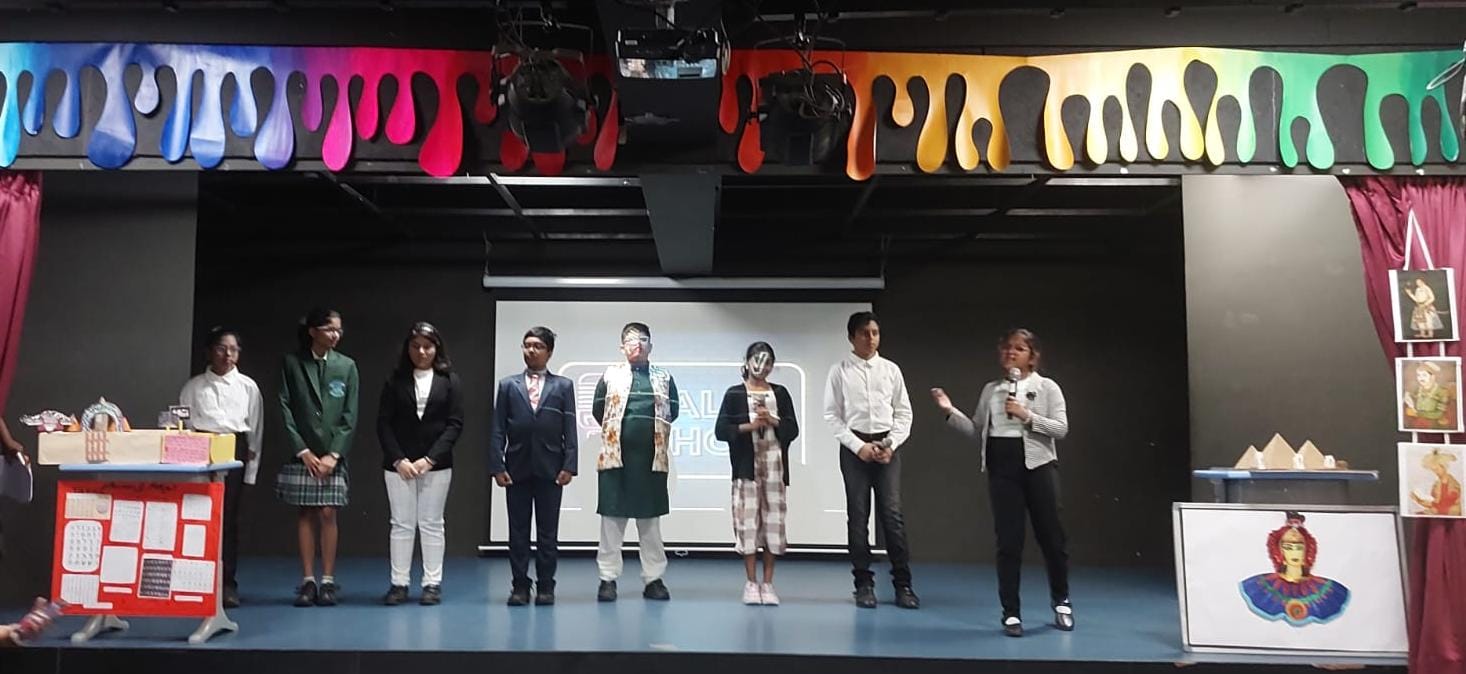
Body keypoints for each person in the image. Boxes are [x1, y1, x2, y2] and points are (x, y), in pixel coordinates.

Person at [933, 328, 1072, 637]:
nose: (1011, 352)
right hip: (1002, 469)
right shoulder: (992, 390)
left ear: (1032, 357)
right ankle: (1011, 612)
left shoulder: (1047, 387)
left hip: (1038, 467)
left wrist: (1027, 415)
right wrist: (949, 411)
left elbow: (1061, 429)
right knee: (1008, 542)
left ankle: (1061, 601)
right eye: (1007, 347)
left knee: (1052, 538)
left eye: (1019, 348)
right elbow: (976, 430)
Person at [823, 311, 919, 610]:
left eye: (875, 332)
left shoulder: (891, 370)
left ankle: (903, 585)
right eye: (864, 333)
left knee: (892, 516)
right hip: (855, 449)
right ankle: (863, 584)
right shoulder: (839, 371)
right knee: (858, 516)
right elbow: (832, 415)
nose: (871, 338)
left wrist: (891, 443)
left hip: (886, 446)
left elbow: (904, 413)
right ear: (851, 337)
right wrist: (858, 446)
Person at [276, 308, 359, 608]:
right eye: (329, 329)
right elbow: (284, 407)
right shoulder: (292, 363)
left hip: (332, 453)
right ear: (313, 331)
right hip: (304, 452)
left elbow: (350, 414)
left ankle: (328, 580)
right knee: (306, 511)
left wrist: (334, 454)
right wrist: (303, 450)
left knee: (328, 512)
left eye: (338, 330)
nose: (335, 335)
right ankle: (308, 579)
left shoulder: (347, 366)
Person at [489, 326, 578, 606]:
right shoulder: (507, 385)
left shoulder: (563, 386)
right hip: (516, 467)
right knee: (517, 532)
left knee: (547, 533)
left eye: (538, 346)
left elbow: (570, 428)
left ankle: (546, 585)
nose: (531, 350)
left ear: (549, 352)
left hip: (551, 468)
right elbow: (498, 429)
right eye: (527, 345)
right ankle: (519, 585)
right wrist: (497, 465)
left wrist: (569, 464)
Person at [376, 322, 463, 606]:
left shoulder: (449, 380)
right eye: (416, 346)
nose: (422, 352)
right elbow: (383, 423)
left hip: (436, 465)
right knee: (401, 524)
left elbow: (454, 424)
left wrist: (429, 459)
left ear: (437, 348)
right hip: (399, 466)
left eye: (427, 346)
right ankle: (399, 583)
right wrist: (398, 459)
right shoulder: (395, 380)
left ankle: (432, 583)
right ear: (407, 348)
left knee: (432, 523)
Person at [592, 322, 679, 602]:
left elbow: (673, 410)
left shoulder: (664, 376)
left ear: (650, 345)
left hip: (651, 461)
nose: (637, 345)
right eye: (631, 340)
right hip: (616, 460)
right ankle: (607, 579)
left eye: (643, 340)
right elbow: (598, 409)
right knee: (611, 522)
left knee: (650, 524)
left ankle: (654, 579)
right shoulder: (610, 375)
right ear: (622, 347)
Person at [178, 327, 264, 609]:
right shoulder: (193, 387)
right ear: (209, 352)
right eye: (221, 349)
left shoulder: (248, 387)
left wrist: (250, 472)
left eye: (234, 350)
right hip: (200, 450)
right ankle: (196, 582)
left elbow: (255, 434)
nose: (228, 355)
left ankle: (227, 583)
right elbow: (184, 426)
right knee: (198, 516)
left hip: (234, 449)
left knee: (228, 520)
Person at [716, 342, 799, 605]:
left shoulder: (780, 393)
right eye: (757, 360)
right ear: (747, 361)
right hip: (746, 469)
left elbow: (792, 429)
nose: (761, 366)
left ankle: (768, 583)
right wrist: (749, 426)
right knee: (748, 523)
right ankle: (751, 582)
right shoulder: (734, 393)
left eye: (767, 362)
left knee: (773, 523)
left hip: (775, 467)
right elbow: (721, 430)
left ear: (772, 366)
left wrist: (772, 420)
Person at [1238, 512, 1350, 625]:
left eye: (1299, 547)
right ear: (1278, 551)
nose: (1294, 552)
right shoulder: (1259, 587)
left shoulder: (1329, 591)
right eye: (1288, 547)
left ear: (1307, 550)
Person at [1404, 361, 1456, 430]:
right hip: (1419, 425)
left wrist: (1417, 413)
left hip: (1435, 426)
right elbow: (1411, 402)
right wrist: (1408, 399)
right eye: (1418, 375)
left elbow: (1438, 414)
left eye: (1424, 375)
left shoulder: (1442, 392)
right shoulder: (1418, 390)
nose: (1421, 378)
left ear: (1433, 377)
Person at [1411, 449, 1463, 516]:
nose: (1435, 472)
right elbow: (1435, 504)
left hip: (1451, 513)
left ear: (1443, 467)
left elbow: (1447, 504)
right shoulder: (1436, 485)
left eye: (1436, 469)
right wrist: (1418, 500)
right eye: (1433, 470)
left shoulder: (1454, 484)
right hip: (1439, 512)